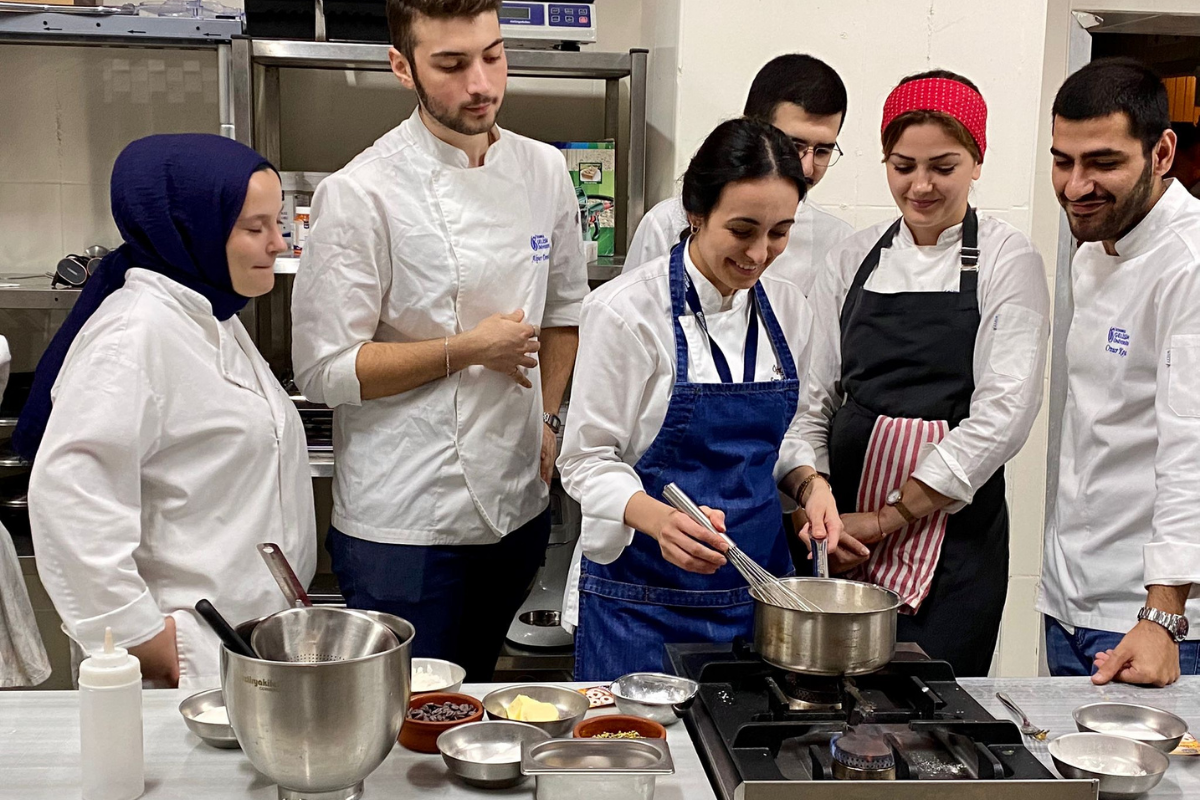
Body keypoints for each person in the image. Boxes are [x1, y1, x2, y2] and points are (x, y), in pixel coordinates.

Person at [291, 0, 586, 682]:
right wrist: (466, 349)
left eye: (493, 55)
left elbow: (567, 310)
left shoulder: (544, 171)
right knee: (406, 720)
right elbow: (326, 370)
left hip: (518, 502)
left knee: (477, 697)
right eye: (451, 65)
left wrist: (547, 417)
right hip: (406, 520)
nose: (480, 84)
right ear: (403, 67)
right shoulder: (361, 193)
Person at [557, 117, 858, 681]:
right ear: (696, 214)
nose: (760, 253)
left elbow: (783, 434)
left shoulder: (789, 310)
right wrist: (659, 520)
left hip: (759, 602)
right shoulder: (626, 312)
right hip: (641, 602)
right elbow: (585, 460)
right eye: (742, 230)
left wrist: (811, 485)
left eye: (780, 231)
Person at [20, 134, 315, 689]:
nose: (279, 242)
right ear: (191, 229)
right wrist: (143, 640)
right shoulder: (134, 336)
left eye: (278, 223)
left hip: (241, 644)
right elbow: (70, 501)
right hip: (186, 655)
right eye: (256, 228)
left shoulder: (211, 314)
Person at [795, 71, 1050, 677]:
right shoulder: (852, 256)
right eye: (903, 165)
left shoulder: (1008, 260)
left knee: (936, 705)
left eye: (944, 165)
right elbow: (812, 399)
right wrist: (817, 494)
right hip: (842, 529)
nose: (921, 185)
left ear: (977, 161)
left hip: (954, 538)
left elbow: (1003, 416)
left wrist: (889, 518)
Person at [1039, 57, 1200, 687]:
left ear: (1161, 152)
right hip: (1070, 603)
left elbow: (1192, 447)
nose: (1076, 186)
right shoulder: (1092, 252)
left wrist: (1162, 618)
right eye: (1063, 160)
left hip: (1154, 622)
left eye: (1103, 162)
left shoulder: (1188, 264)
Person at [624, 54, 853, 295]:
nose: (806, 167)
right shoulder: (666, 222)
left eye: (823, 151)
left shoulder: (837, 240)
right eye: (793, 145)